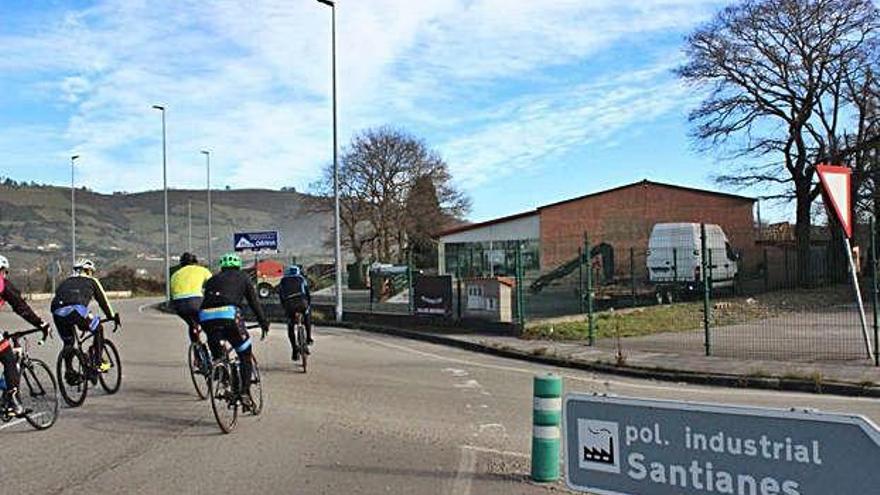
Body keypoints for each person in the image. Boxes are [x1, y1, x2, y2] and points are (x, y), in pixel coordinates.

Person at [199, 253, 270, 409]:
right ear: (238, 266)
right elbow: (254, 302)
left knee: (217, 348)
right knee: (244, 353)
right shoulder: (243, 277)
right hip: (229, 314)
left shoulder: (211, 280)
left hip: (205, 316)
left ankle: (221, 370)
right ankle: (244, 392)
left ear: (222, 267)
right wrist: (263, 322)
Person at [51, 259, 120, 382]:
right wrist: (112, 316)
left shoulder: (65, 282)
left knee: (69, 343)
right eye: (91, 272)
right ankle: (98, 363)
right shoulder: (92, 281)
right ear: (87, 271)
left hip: (57, 312)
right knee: (98, 328)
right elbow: (103, 301)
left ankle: (69, 371)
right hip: (76, 311)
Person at [0, 255, 50, 416]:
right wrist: (41, 324)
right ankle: (14, 402)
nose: (5, 275)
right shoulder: (2, 283)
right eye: (5, 272)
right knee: (8, 357)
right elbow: (21, 307)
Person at [170, 252, 213, 344]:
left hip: (178, 304)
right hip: (196, 301)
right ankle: (215, 349)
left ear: (181, 264)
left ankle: (197, 349)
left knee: (192, 324)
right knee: (208, 325)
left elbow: (172, 292)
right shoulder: (202, 270)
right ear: (195, 262)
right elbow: (214, 283)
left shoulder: (175, 274)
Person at [277, 265, 313, 361]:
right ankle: (309, 337)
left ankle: (294, 349)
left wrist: (284, 308)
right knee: (307, 318)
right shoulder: (302, 279)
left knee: (291, 327)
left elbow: (281, 296)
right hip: (302, 304)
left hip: (290, 306)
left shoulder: (283, 281)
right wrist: (308, 305)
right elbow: (307, 294)